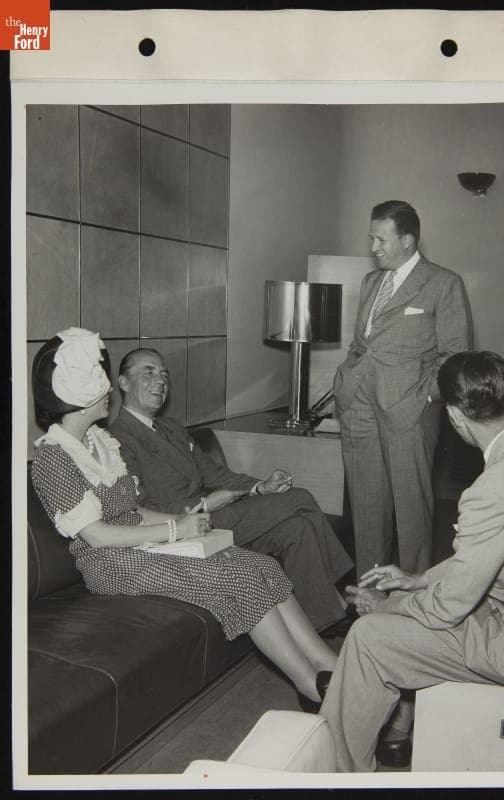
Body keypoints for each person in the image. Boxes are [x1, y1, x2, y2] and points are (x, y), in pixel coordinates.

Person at [30, 328, 338, 709]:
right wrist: (174, 530)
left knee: (257, 564)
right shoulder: (53, 457)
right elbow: (96, 536)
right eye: (101, 381)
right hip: (111, 563)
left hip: (141, 544)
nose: (109, 389)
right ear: (78, 395)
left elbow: (132, 511)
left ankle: (329, 663)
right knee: (240, 579)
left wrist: (187, 523)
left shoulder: (99, 442)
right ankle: (310, 686)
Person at [320, 350, 504, 771]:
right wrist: (417, 580)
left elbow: (449, 607)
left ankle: (334, 773)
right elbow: (493, 556)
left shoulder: (492, 489)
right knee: (403, 614)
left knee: (369, 637)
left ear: (454, 415)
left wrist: (386, 607)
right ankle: (396, 733)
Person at [109, 347, 353, 633]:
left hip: (215, 520)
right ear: (123, 383)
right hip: (184, 529)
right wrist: (206, 504)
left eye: (164, 373)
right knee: (300, 498)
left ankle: (324, 618)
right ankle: (344, 594)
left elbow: (215, 473)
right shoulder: (118, 440)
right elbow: (138, 509)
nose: (160, 380)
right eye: (148, 372)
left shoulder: (171, 428)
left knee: (297, 528)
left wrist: (261, 487)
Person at [333, 200, 473, 578]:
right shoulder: (370, 282)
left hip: (409, 412)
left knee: (412, 509)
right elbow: (361, 344)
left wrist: (425, 396)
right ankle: (371, 592)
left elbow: (455, 356)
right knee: (367, 506)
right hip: (359, 406)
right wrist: (345, 383)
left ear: (408, 240)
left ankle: (411, 598)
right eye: (371, 237)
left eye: (380, 239)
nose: (373, 246)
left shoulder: (443, 283)